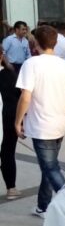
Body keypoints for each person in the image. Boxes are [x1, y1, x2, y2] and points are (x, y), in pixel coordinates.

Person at [15, 24, 65, 218]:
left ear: (36, 42)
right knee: (48, 167)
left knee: (50, 168)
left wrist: (18, 121)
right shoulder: (64, 65)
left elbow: (25, 96)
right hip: (59, 124)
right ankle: (43, 206)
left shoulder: (31, 64)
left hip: (40, 126)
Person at [0, 48, 20, 197]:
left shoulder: (8, 74)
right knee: (7, 153)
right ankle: (11, 188)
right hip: (8, 119)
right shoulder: (8, 74)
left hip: (7, 119)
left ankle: (11, 187)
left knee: (7, 153)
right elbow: (17, 99)